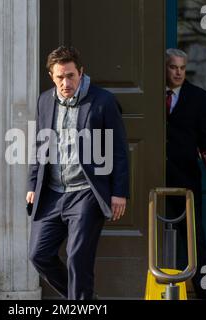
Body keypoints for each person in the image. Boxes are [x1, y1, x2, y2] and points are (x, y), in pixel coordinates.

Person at [26, 46, 130, 300]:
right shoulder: (44, 100)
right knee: (38, 254)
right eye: (60, 77)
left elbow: (119, 150)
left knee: (77, 258)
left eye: (71, 76)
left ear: (81, 73)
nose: (65, 82)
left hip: (85, 192)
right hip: (51, 192)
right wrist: (32, 184)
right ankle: (84, 300)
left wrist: (119, 192)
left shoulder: (102, 101)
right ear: (51, 75)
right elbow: (40, 145)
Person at [165, 48, 206, 300]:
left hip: (185, 176)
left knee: (194, 235)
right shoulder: (148, 95)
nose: (178, 72)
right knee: (156, 233)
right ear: (165, 68)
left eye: (182, 67)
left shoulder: (199, 98)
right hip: (153, 173)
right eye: (173, 67)